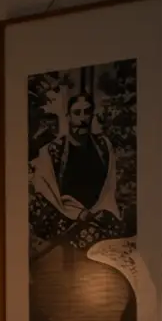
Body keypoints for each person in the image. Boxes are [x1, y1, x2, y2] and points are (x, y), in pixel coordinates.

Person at [28, 91, 123, 256]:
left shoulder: (103, 146)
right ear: (68, 116)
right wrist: (77, 213)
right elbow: (45, 191)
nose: (82, 118)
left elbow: (110, 186)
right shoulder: (52, 151)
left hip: (97, 212)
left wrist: (98, 211)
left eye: (87, 112)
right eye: (77, 113)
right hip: (65, 214)